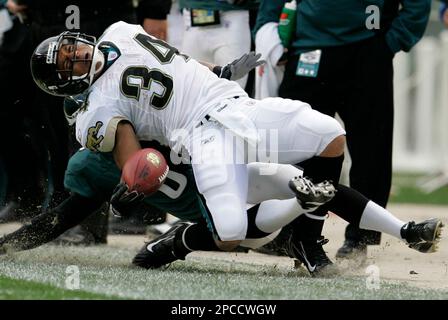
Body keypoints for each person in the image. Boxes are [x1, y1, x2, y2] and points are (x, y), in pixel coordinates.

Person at [28, 21, 442, 275]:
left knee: (329, 135)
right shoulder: (96, 112)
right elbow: (139, 161)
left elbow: (178, 61)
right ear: (67, 84)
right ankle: (182, 240)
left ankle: (308, 239)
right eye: (70, 62)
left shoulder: (119, 31)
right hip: (202, 137)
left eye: (72, 47)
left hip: (237, 105)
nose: (79, 54)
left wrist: (220, 71)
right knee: (230, 231)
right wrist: (133, 185)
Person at [254, 0, 432, 260]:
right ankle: (291, 233)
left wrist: (391, 42)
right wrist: (267, 29)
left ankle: (361, 238)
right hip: (308, 50)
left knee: (370, 150)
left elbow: (418, 4)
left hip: (367, 52)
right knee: (294, 149)